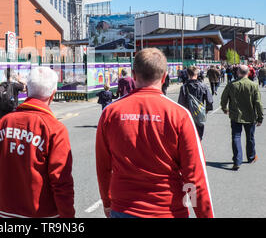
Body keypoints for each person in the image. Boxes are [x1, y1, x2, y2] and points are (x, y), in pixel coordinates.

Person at [95, 48, 214, 218]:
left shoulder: (110, 112)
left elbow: (103, 167)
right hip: (169, 210)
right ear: (164, 77)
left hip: (123, 208)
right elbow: (194, 176)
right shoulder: (178, 114)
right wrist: (203, 214)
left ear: (134, 75)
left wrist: (107, 203)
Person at [0, 66, 75, 218]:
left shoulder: (4, 123)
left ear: (27, 89)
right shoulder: (55, 128)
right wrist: (68, 215)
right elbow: (61, 180)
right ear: (52, 95)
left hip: (6, 209)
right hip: (42, 212)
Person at [221, 65, 263, 171]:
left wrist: (224, 108)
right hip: (250, 116)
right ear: (248, 73)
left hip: (235, 115)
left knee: (236, 137)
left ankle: (237, 160)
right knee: (250, 137)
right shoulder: (253, 85)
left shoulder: (231, 85)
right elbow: (258, 102)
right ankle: (251, 157)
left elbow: (224, 98)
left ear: (238, 72)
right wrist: (260, 117)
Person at [178, 66, 214, 140]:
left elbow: (180, 102)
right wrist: (207, 109)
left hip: (187, 114)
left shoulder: (184, 87)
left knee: (188, 135)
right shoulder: (203, 86)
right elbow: (209, 100)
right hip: (199, 112)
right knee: (199, 134)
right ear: (197, 74)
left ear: (188, 74)